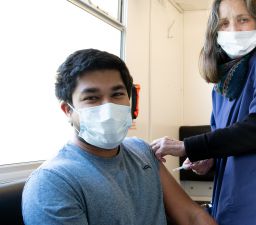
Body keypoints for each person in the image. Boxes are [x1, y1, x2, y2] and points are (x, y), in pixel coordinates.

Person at [151, 0, 256, 224]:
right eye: (224, 23)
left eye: (242, 20)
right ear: (214, 33)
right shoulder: (223, 85)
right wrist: (210, 160)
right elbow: (228, 140)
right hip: (238, 202)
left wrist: (187, 146)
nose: (233, 30)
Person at [21, 49, 218, 225]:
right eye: (92, 98)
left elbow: (192, 217)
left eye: (117, 94)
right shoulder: (52, 183)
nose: (108, 108)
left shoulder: (142, 151)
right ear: (67, 110)